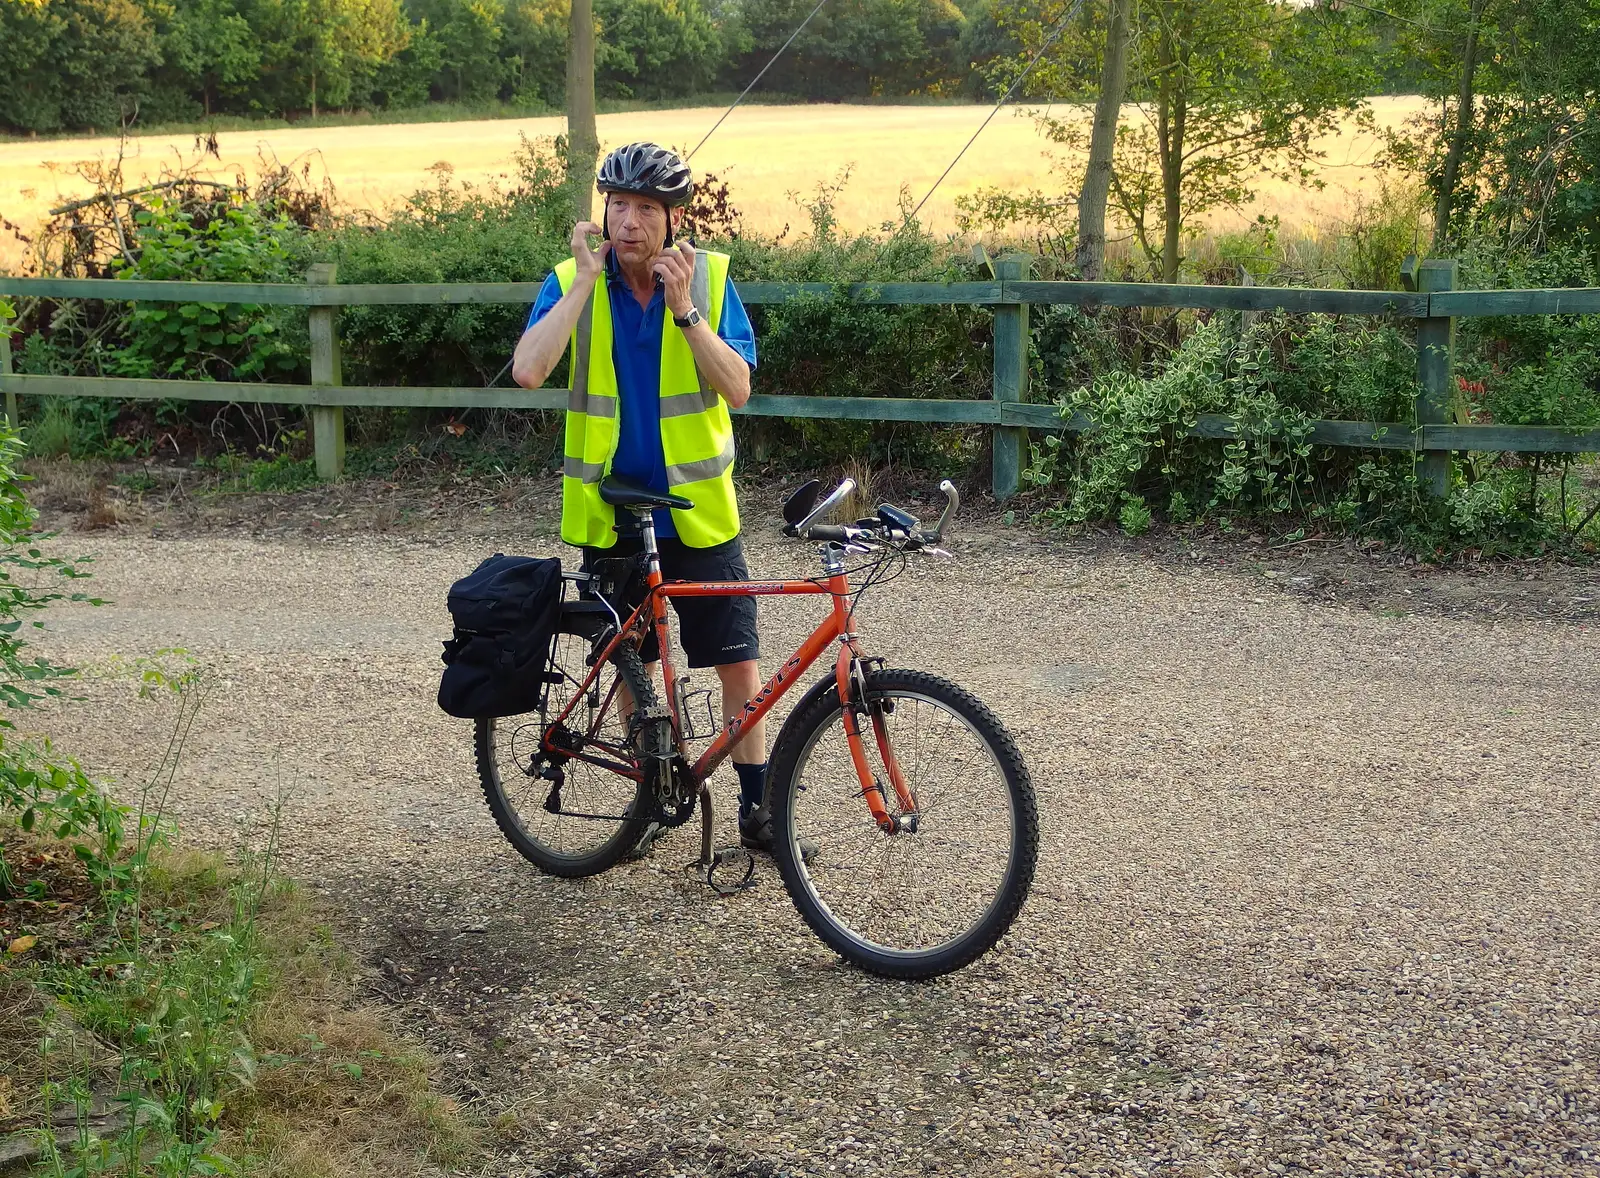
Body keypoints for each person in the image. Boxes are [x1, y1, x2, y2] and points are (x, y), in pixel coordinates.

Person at [511, 142, 781, 854]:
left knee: (738, 663)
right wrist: (580, 286)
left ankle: (758, 816)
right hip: (611, 510)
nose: (629, 222)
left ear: (674, 219)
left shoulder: (712, 280)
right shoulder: (573, 278)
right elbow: (530, 371)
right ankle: (646, 792)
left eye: (646, 210)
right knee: (631, 656)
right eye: (618, 205)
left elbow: (738, 389)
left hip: (698, 509)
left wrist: (686, 309)